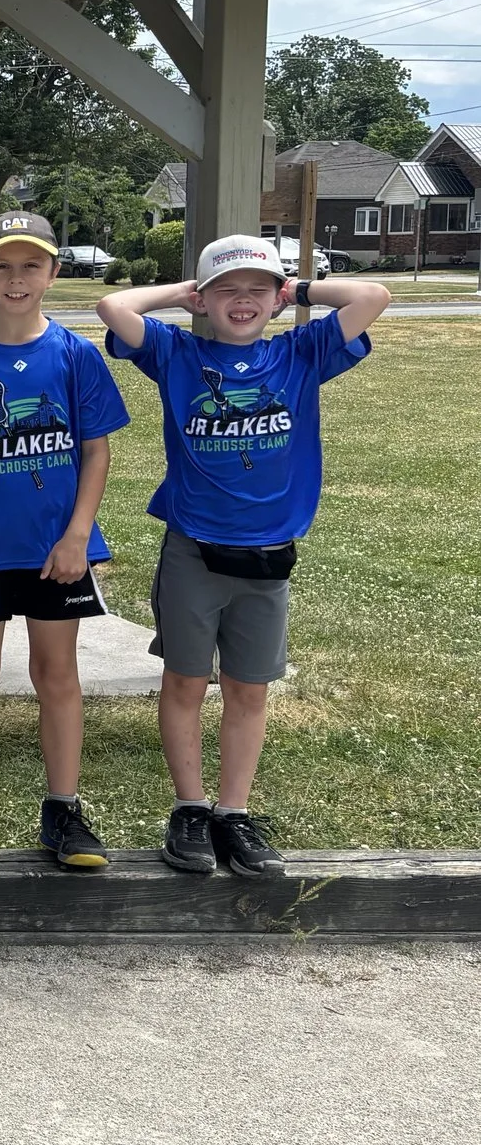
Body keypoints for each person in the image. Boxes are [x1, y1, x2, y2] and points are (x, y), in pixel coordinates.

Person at [97, 236, 389, 878]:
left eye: (258, 289)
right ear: (204, 300)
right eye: (227, 289)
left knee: (248, 688)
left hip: (267, 558)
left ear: (278, 299)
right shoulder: (179, 354)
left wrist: (300, 292)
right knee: (184, 680)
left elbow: (373, 294)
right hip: (193, 551)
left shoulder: (300, 353)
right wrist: (184, 296)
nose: (243, 301)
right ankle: (191, 808)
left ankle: (234, 811)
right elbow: (114, 306)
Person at [0, 211, 129, 871]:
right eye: (2, 265)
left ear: (54, 271)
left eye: (31, 264)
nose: (17, 278)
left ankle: (63, 810)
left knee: (57, 675)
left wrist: (78, 534)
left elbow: (95, 453)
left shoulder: (75, 354)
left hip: (54, 549)